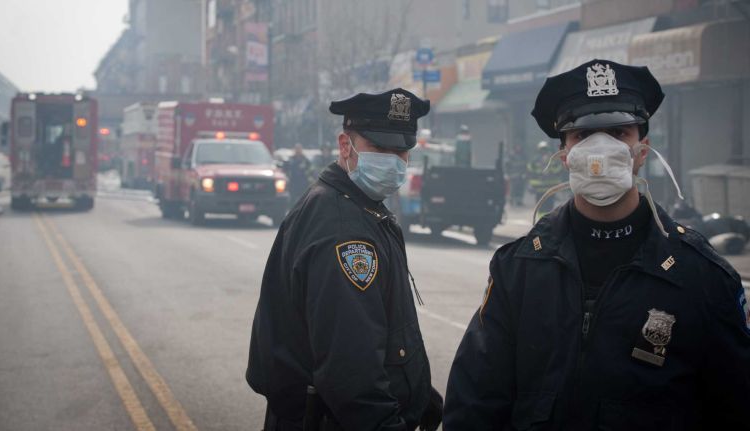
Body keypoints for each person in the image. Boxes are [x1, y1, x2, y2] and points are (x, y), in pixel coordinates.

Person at [443, 59, 750, 430]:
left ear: (642, 150)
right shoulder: (519, 269)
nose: (600, 149)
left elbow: (734, 405)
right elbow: (475, 403)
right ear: (564, 154)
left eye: (619, 133)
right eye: (582, 136)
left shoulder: (700, 275)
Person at [247, 88, 443, 431]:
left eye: (401, 152)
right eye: (380, 149)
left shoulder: (355, 205)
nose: (394, 162)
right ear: (345, 146)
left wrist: (422, 397)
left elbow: (385, 335)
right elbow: (351, 370)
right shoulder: (344, 232)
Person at [527, 140, 564, 215]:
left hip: (548, 187)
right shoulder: (536, 160)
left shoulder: (552, 159)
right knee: (543, 206)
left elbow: (559, 168)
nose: (543, 152)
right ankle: (543, 220)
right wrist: (539, 173)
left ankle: (546, 220)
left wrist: (551, 172)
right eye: (542, 150)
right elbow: (530, 169)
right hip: (543, 188)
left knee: (547, 206)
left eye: (545, 150)